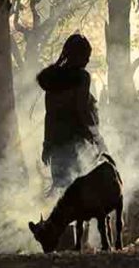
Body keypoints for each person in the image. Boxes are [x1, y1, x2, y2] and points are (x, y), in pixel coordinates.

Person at [37, 34, 104, 189]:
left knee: (62, 196)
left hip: (56, 146)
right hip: (76, 146)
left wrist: (47, 145)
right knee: (80, 194)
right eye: (86, 56)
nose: (87, 60)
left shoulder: (52, 79)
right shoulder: (82, 77)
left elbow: (50, 115)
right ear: (77, 55)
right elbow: (82, 111)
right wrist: (96, 139)